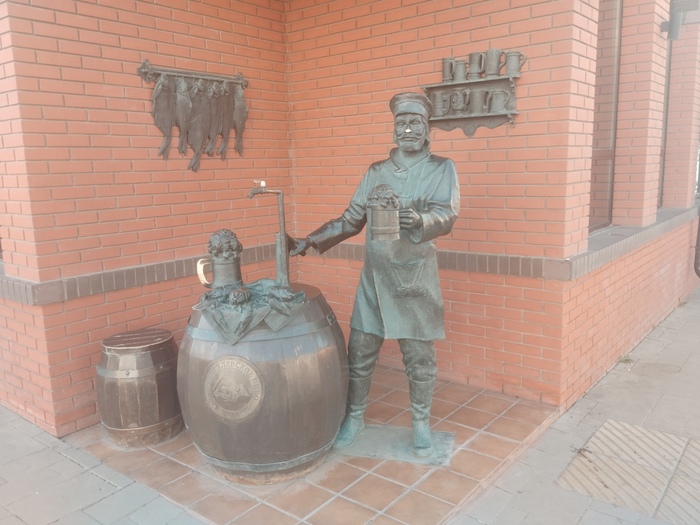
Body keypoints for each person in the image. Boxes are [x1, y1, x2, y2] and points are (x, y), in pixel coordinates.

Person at [290, 92, 460, 456]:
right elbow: (351, 219)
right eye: (402, 123)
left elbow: (447, 214)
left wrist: (421, 220)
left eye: (415, 123)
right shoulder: (376, 171)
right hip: (375, 278)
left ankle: (420, 422)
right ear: (394, 128)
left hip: (414, 279)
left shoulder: (441, 168)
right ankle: (354, 417)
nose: (408, 129)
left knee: (419, 357)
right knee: (361, 350)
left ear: (427, 128)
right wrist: (311, 240)